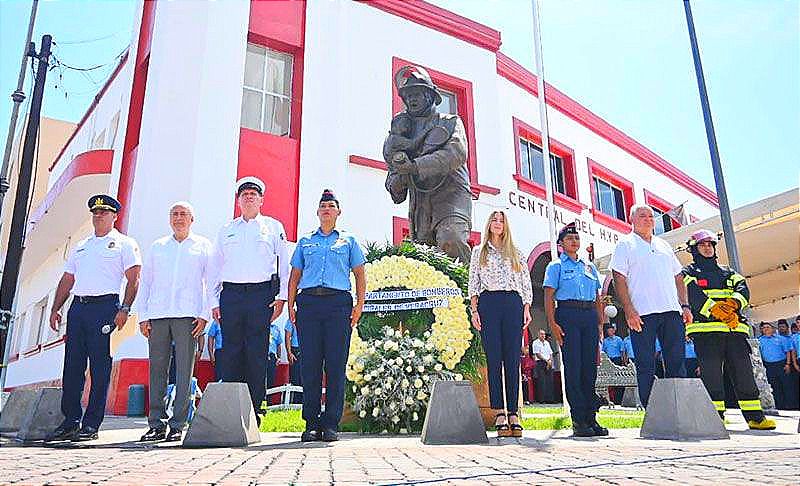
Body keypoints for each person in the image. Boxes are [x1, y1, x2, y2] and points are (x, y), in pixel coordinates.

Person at [45, 195, 141, 442]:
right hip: (78, 308)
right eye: (96, 212)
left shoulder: (124, 243)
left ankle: (91, 425)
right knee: (73, 366)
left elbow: (133, 278)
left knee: (99, 368)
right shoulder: (82, 245)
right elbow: (68, 279)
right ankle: (70, 421)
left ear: (114, 216)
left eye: (104, 212)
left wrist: (125, 308)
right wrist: (56, 307)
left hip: (105, 308)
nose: (98, 216)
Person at [208, 177, 290, 423]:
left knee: (257, 352)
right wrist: (214, 301)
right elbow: (215, 267)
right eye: (244, 194)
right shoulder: (226, 230)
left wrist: (282, 297)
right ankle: (232, 409)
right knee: (231, 350)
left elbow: (283, 265)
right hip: (231, 295)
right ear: (238, 200)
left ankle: (255, 409)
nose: (249, 197)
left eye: (254, 194)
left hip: (261, 295)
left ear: (262, 199)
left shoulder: (274, 228)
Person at [287, 189, 366, 442]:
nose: (326, 209)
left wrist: (359, 305)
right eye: (323, 206)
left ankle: (331, 424)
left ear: (338, 212)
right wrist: (290, 306)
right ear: (318, 212)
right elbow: (294, 276)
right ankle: (310, 423)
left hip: (338, 304)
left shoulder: (348, 241)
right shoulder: (305, 241)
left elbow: (359, 274)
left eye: (331, 206)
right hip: (308, 303)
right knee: (309, 365)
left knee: (335, 365)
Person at [682, 229, 776, 428]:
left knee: (744, 373)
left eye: (710, 245)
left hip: (734, 331)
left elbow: (743, 290)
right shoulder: (688, 273)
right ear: (694, 249)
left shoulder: (729, 272)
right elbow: (693, 295)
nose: (707, 248)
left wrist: (733, 305)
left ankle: (755, 417)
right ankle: (714, 418)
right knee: (711, 375)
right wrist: (716, 310)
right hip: (706, 332)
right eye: (703, 245)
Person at [137, 201, 212, 442]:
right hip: (158, 314)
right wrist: (143, 316)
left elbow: (209, 283)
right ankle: (156, 423)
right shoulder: (158, 247)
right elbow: (145, 281)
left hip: (188, 315)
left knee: (184, 372)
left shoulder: (202, 246)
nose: (179, 218)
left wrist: (204, 315)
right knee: (157, 370)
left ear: (192, 219)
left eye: (183, 214)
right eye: (175, 214)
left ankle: (178, 424)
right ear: (170, 219)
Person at [383, 65, 472, 263]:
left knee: (451, 238)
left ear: (431, 96)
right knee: (425, 257)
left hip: (451, 195)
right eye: (408, 96)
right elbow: (395, 189)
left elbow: (456, 154)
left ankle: (468, 290)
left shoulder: (450, 123)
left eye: (417, 94)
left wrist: (415, 166)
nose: (411, 99)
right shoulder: (400, 132)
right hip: (421, 203)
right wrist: (399, 176)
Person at [609, 205, 692, 408]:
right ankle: (650, 409)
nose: (648, 219)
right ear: (632, 219)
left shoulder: (664, 244)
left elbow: (678, 276)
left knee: (676, 361)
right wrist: (628, 310)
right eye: (642, 216)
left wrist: (685, 305)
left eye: (650, 216)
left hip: (672, 312)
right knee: (646, 364)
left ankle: (679, 407)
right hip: (643, 314)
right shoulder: (625, 244)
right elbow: (618, 278)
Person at [469, 210, 532, 437]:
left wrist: (526, 308)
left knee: (512, 359)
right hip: (489, 303)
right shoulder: (479, 252)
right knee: (494, 359)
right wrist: (475, 310)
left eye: (501, 221)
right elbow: (473, 282)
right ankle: (499, 413)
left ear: (506, 226)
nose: (497, 223)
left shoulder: (516, 252)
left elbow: (525, 282)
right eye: (494, 220)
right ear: (488, 224)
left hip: (513, 303)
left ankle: (514, 412)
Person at [543, 222, 606, 438]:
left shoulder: (589, 267)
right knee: (574, 367)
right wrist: (553, 324)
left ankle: (591, 417)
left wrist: (600, 323)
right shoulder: (556, 266)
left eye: (576, 238)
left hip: (589, 316)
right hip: (568, 315)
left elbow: (597, 297)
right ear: (561, 244)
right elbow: (549, 297)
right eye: (569, 239)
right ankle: (578, 420)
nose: (574, 241)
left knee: (590, 367)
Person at [758, 322, 793, 410]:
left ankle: (791, 406)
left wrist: (788, 364)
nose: (765, 329)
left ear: (773, 329)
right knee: (774, 387)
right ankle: (780, 406)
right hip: (769, 366)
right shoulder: (759, 340)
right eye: (764, 327)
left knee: (787, 386)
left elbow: (787, 352)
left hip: (782, 364)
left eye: (768, 327)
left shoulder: (781, 339)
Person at [777, 319, 799, 409]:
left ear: (787, 327)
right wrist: (794, 364)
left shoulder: (790, 337)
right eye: (780, 327)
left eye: (783, 326)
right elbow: (792, 351)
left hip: (790, 362)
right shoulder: (793, 337)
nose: (781, 329)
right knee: (793, 385)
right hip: (793, 362)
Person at [601, 325, 625, 403]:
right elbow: (603, 352)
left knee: (618, 379)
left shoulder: (618, 340)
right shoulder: (605, 341)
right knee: (610, 380)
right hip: (609, 360)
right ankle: (611, 399)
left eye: (611, 330)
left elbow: (622, 351)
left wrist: (623, 361)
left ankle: (619, 399)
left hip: (617, 360)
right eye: (608, 331)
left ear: (614, 331)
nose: (610, 332)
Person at [265, 319, 285, 407]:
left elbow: (279, 344)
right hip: (261, 356)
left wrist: (279, 357)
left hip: (272, 356)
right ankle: (260, 401)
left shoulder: (275, 329)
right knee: (260, 379)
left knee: (271, 379)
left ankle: (269, 403)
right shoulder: (259, 326)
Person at [531, 329, 554, 404]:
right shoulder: (535, 343)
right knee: (542, 381)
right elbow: (537, 354)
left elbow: (550, 352)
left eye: (544, 334)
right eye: (541, 334)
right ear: (538, 335)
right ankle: (542, 399)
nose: (543, 336)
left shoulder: (547, 343)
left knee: (549, 381)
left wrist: (550, 361)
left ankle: (550, 399)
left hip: (548, 362)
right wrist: (546, 361)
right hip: (541, 362)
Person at [285, 318, 302, 404]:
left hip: (308, 350)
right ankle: (295, 403)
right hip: (296, 350)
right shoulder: (292, 318)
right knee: (295, 379)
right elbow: (287, 335)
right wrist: (289, 353)